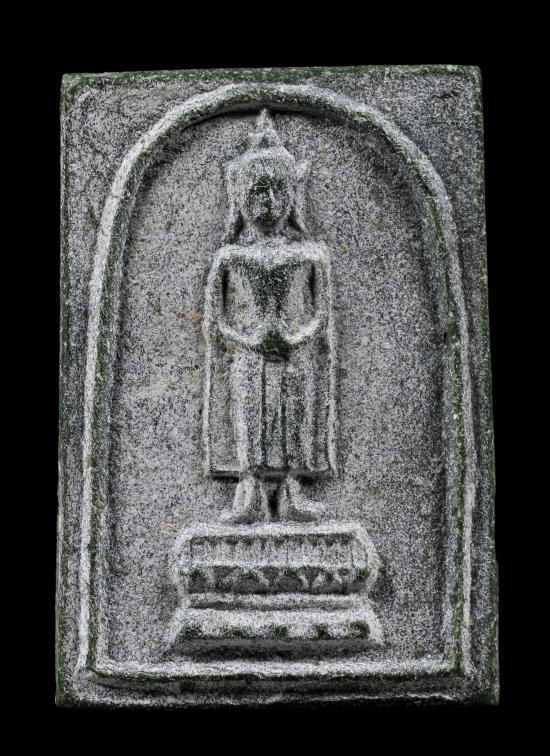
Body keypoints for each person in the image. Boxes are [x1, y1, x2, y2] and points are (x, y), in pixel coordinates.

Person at [203, 110, 336, 524]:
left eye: (279, 191)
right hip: (248, 358)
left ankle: (293, 491)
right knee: (251, 423)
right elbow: (215, 324)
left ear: (293, 196)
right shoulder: (229, 257)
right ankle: (249, 495)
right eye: (258, 192)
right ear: (239, 198)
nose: (269, 203)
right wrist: (252, 342)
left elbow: (321, 318)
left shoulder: (310, 256)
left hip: (294, 358)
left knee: (293, 422)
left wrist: (294, 341)